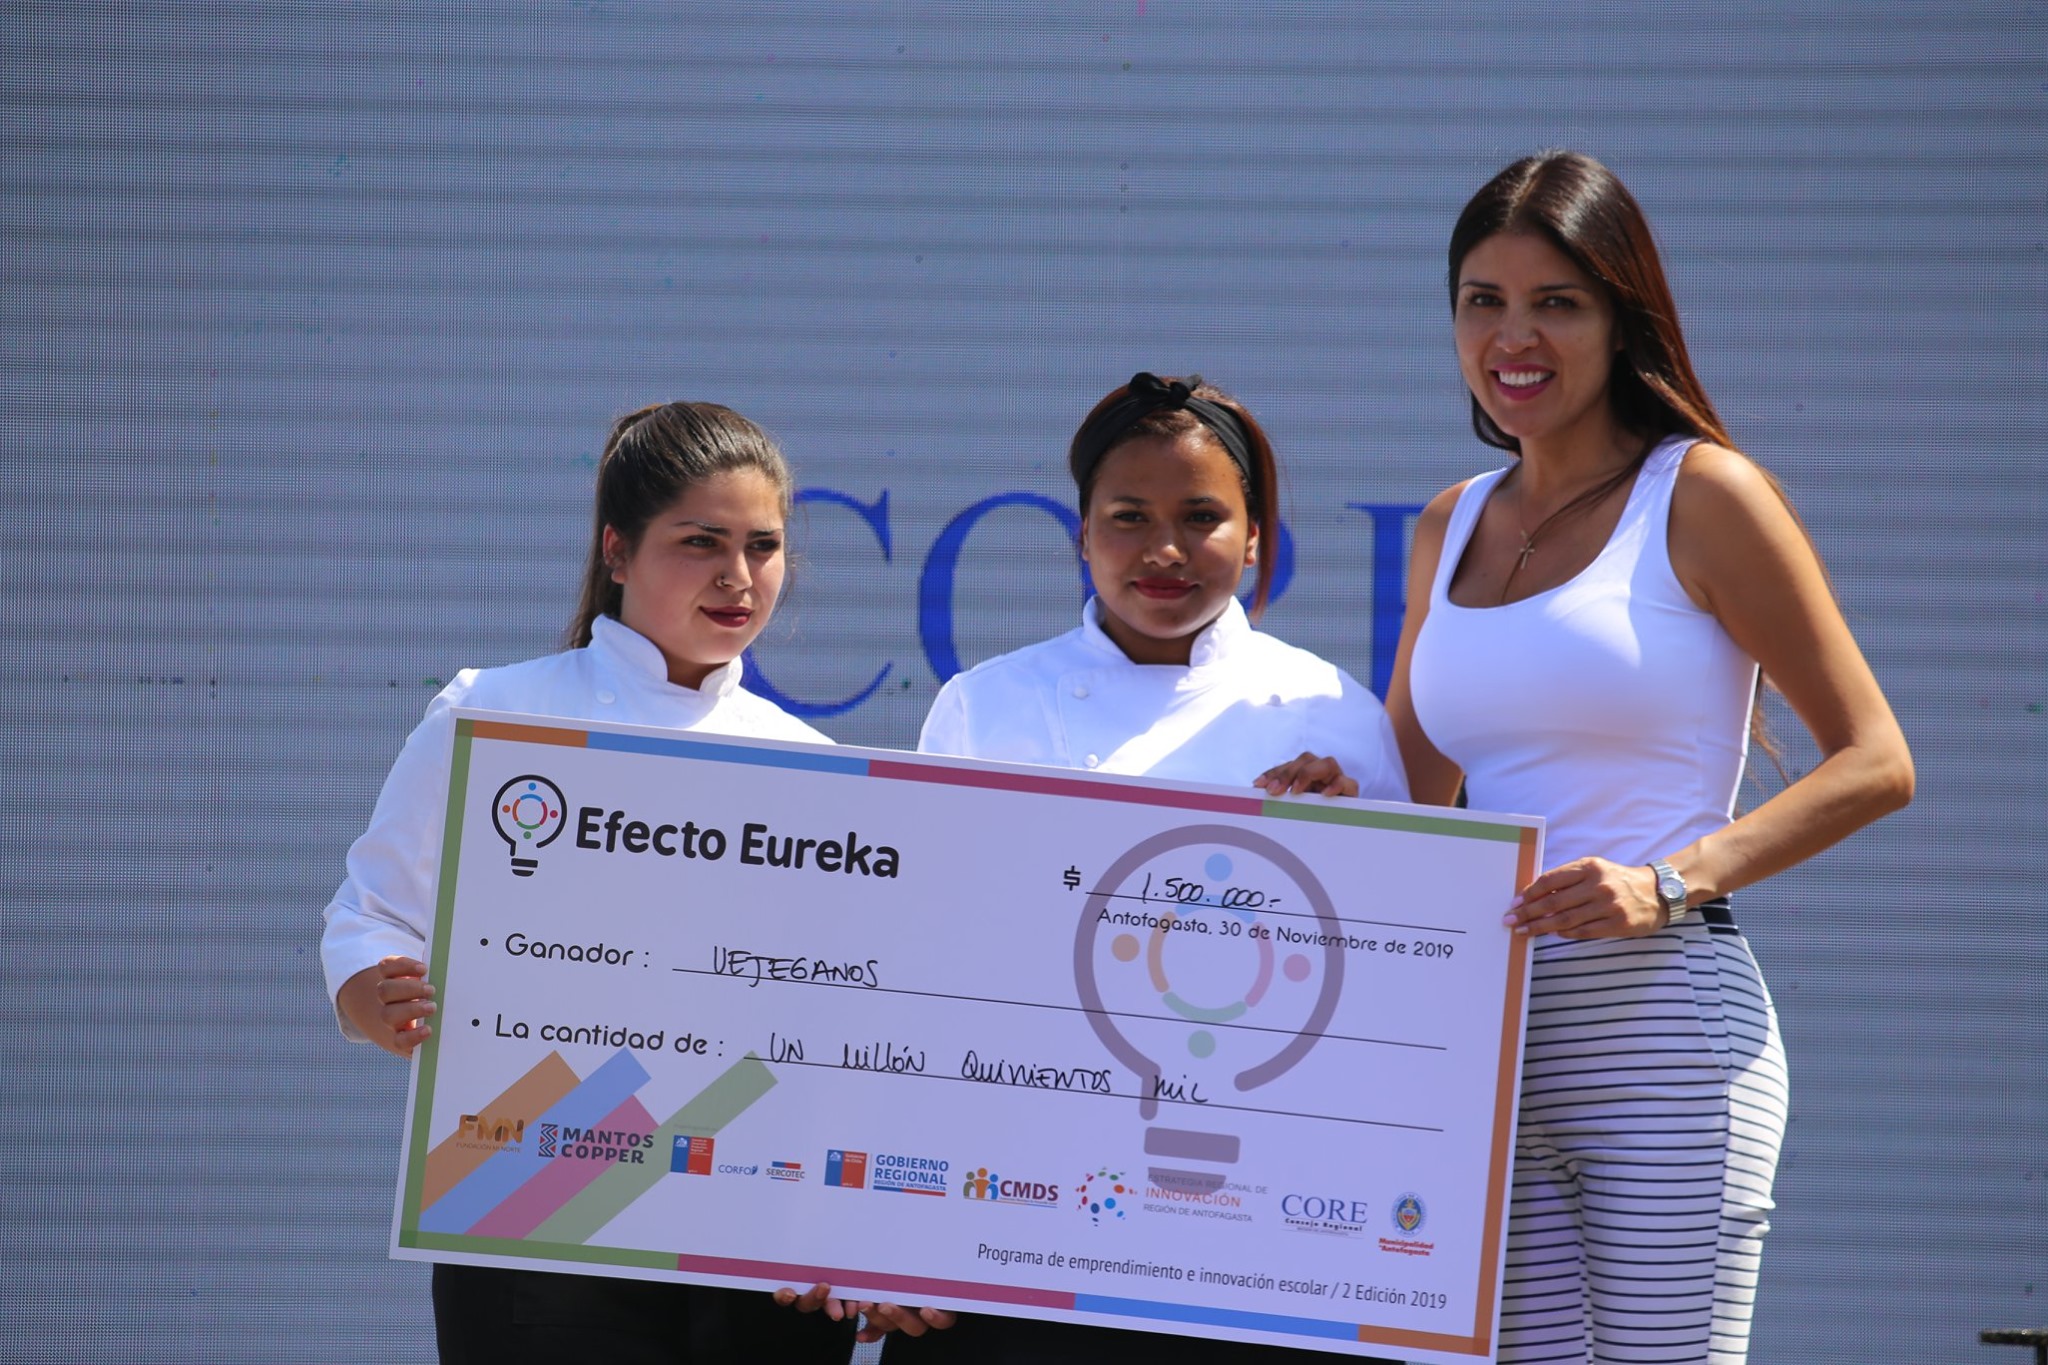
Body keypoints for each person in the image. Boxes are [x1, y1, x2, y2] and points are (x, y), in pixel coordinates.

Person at [1385, 151, 1914, 1363]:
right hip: (1483, 1044)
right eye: (1481, 301)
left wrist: (1665, 881)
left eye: (1555, 303)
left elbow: (1874, 759)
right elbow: (1404, 803)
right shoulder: (1447, 523)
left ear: (1623, 319)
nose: (1512, 337)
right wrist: (1324, 793)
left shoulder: (1702, 493)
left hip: (1664, 1035)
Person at [817, 372, 1409, 1362]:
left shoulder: (1331, 714)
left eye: (1201, 517)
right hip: (1015, 1206)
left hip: (1251, 1230)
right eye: (1128, 517)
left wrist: (1347, 847)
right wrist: (895, 1220)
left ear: (1255, 539)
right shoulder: (989, 704)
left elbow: (1390, 996)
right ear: (1082, 536)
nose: (1164, 550)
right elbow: (920, 983)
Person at [321, 401, 858, 1365]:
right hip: (538, 1203)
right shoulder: (498, 712)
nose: (738, 577)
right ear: (617, 550)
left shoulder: (819, 767)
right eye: (701, 542)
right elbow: (373, 911)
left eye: (763, 545)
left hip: (754, 1224)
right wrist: (370, 990)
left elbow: (848, 1014)